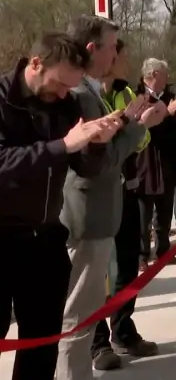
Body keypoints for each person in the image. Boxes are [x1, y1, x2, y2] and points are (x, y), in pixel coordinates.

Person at [0, 32, 118, 380]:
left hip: (45, 237)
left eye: (71, 87)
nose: (64, 94)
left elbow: (85, 169)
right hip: (2, 235)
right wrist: (62, 145)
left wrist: (96, 144)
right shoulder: (4, 100)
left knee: (42, 340)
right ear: (35, 64)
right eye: (59, 84)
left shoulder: (65, 104)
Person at [57, 20, 166, 380]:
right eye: (112, 46)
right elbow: (100, 161)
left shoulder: (94, 92)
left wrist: (126, 120)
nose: (117, 54)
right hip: (87, 215)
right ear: (93, 49)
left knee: (84, 310)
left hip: (99, 212)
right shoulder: (79, 95)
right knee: (79, 314)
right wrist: (139, 126)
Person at [91, 40, 164, 369]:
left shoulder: (125, 92)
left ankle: (122, 329)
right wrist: (130, 126)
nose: (127, 62)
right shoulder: (84, 94)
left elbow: (142, 140)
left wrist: (139, 126)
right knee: (94, 273)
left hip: (125, 190)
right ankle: (96, 342)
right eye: (123, 55)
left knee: (127, 264)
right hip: (92, 197)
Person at [136, 59, 176, 269]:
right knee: (143, 213)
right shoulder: (137, 95)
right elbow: (145, 126)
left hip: (168, 161)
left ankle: (163, 252)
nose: (167, 78)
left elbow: (175, 124)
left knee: (165, 209)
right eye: (164, 74)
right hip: (146, 160)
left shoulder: (169, 95)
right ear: (154, 74)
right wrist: (167, 112)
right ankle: (141, 256)